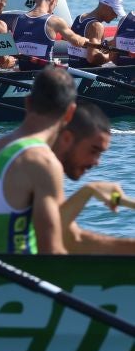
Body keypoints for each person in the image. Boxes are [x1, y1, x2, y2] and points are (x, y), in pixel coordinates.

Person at [0, 67, 78, 254]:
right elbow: (53, 253)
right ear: (70, 113)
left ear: (27, 103)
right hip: (9, 276)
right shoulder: (41, 161)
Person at [54, 102, 135, 254]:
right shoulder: (42, 164)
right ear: (66, 138)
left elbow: (71, 239)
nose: (97, 162)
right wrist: (90, 190)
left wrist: (89, 190)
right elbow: (54, 241)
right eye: (93, 150)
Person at [13, 0, 89, 71]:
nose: (53, 10)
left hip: (22, 73)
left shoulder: (17, 19)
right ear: (53, 1)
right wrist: (90, 42)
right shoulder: (54, 21)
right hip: (45, 76)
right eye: (55, 6)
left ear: (36, 0)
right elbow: (77, 42)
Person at [66, 0, 125, 69]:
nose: (116, 16)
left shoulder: (80, 17)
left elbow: (87, 45)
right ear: (106, 7)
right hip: (87, 74)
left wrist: (112, 43)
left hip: (73, 68)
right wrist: (111, 57)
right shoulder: (97, 26)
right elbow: (92, 58)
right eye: (115, 12)